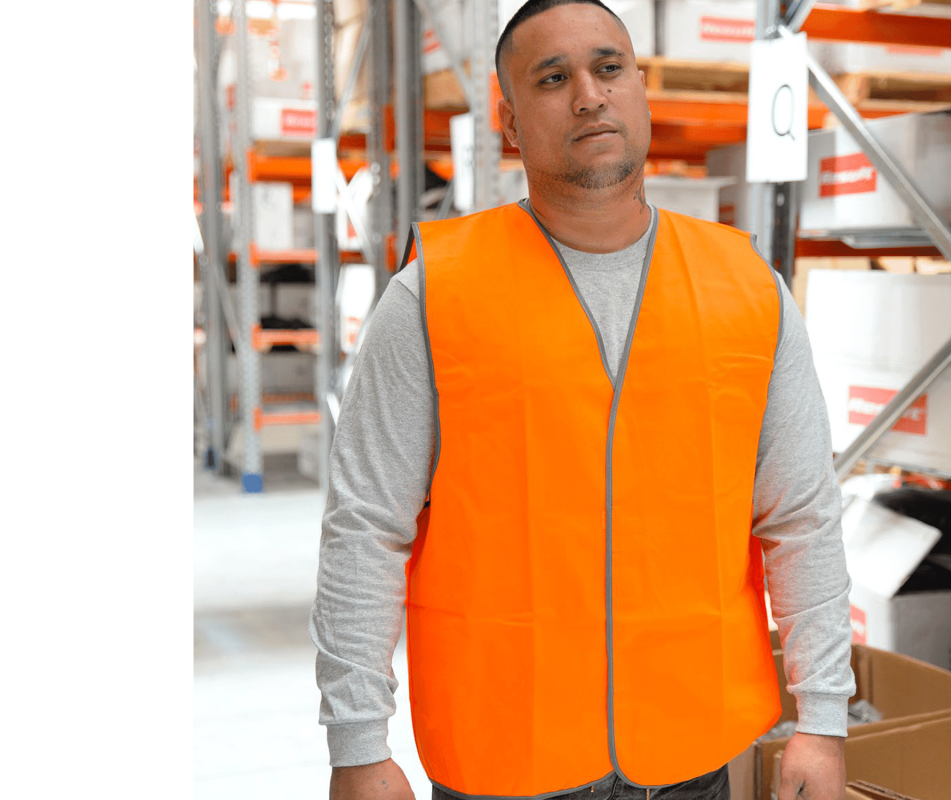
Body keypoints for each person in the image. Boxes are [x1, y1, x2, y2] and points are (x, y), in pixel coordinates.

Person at [311, 1, 856, 799]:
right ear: (508, 122)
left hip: (691, 755)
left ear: (640, 88)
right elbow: (365, 527)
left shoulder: (749, 290)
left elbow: (802, 517)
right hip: (503, 760)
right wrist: (359, 745)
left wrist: (823, 719)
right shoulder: (432, 296)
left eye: (608, 69)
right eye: (552, 78)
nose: (590, 96)